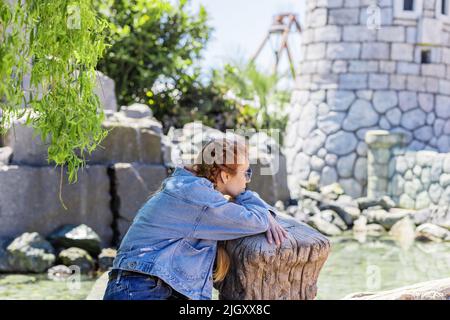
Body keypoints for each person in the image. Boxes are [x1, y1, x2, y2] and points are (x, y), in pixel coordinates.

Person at [103, 137, 288, 300]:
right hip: (143, 288)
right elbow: (255, 221)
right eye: (246, 173)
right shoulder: (197, 197)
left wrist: (261, 211)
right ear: (224, 175)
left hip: (140, 286)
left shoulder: (188, 188)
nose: (247, 181)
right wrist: (266, 214)